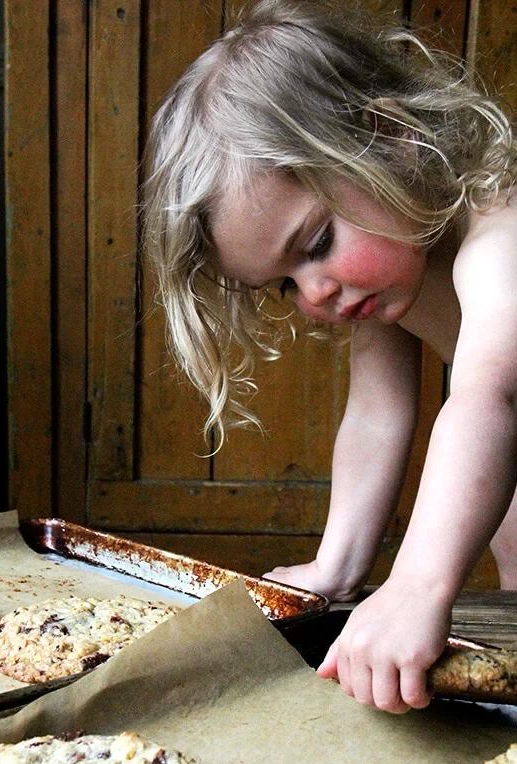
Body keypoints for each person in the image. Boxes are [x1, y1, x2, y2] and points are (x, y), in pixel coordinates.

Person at [142, 0, 517, 714]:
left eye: (315, 244)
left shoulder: (499, 235)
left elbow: (487, 397)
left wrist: (413, 588)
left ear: (390, 136)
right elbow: (377, 415)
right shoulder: (388, 278)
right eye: (286, 283)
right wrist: (337, 568)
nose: (315, 291)